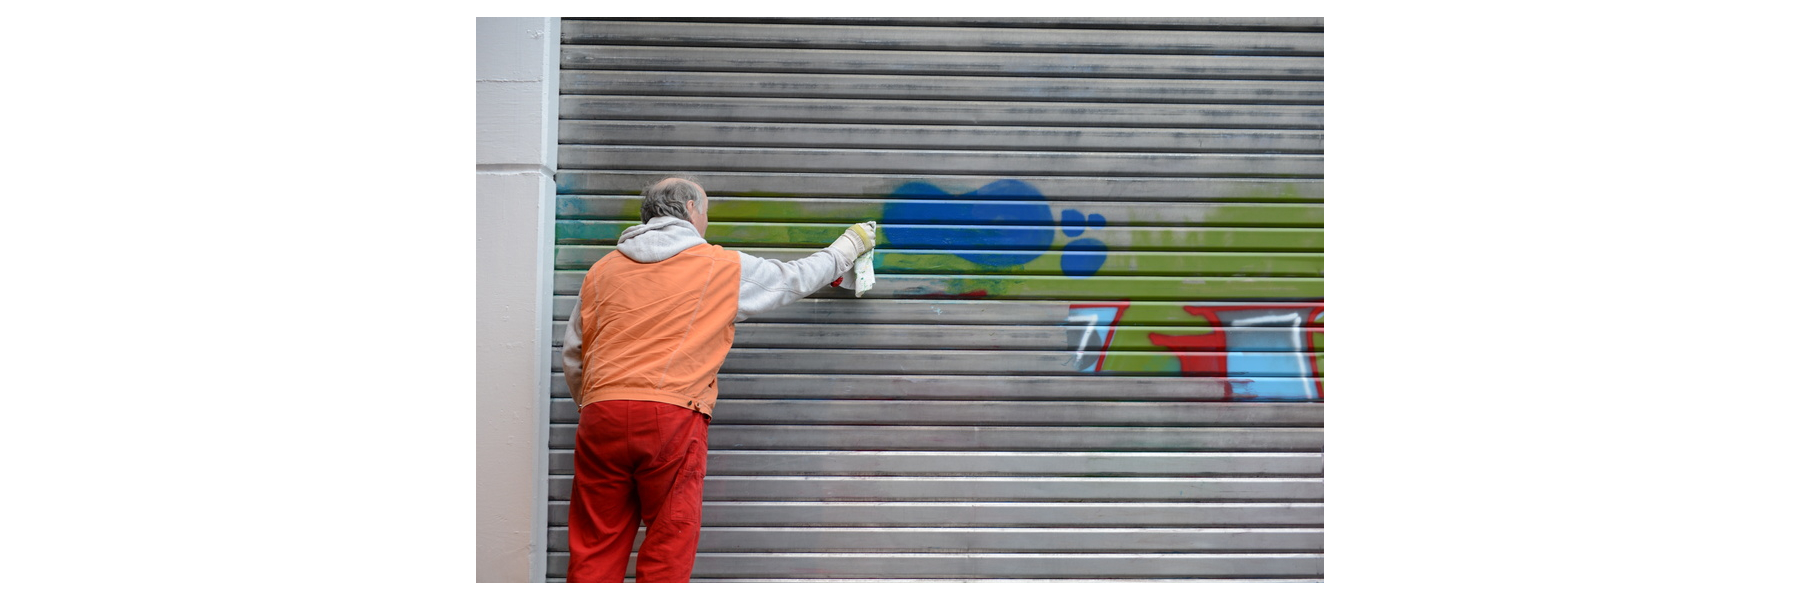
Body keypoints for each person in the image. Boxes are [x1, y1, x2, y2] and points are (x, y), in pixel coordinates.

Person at [559, 177, 875, 582]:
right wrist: (846, 247)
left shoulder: (602, 270)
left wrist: (599, 403)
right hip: (669, 417)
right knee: (668, 539)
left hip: (600, 414)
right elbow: (791, 278)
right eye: (706, 211)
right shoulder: (718, 265)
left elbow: (574, 353)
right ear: (691, 209)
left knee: (596, 542)